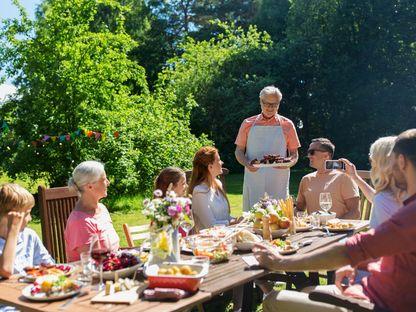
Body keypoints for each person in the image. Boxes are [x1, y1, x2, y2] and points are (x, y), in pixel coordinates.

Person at [253, 128, 416, 312]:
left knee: (274, 299)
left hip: (372, 303)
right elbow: (394, 251)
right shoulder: (408, 205)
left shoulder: (411, 213)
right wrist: (363, 264)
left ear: (401, 161)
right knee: (307, 290)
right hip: (376, 287)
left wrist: (278, 262)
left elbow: (350, 249)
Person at [235, 86, 301, 212]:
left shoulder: (288, 124)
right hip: (253, 176)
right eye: (267, 104)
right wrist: (246, 163)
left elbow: (294, 154)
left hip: (279, 177)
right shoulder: (248, 123)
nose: (270, 108)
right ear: (260, 102)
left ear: (279, 104)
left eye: (274, 104)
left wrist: (288, 163)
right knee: (253, 215)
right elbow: (239, 151)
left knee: (280, 214)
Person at [340, 136, 405, 228]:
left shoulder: (383, 198)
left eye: (372, 155)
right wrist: (354, 177)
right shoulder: (399, 187)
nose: (370, 159)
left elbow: (385, 235)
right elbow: (376, 198)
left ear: (382, 159)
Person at [64, 161, 119, 262]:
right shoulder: (80, 222)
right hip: (93, 275)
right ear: (90, 186)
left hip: (113, 270)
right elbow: (97, 263)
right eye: (104, 179)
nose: (108, 182)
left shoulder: (101, 209)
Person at [297, 138, 360, 219]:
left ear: (326, 155)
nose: (309, 156)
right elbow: (299, 209)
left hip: (338, 230)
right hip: (312, 229)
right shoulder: (306, 179)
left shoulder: (344, 177)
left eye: (312, 152)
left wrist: (335, 226)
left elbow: (355, 213)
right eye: (308, 152)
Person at [0, 183, 53, 278]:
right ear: (10, 216)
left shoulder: (29, 235)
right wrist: (13, 231)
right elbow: (6, 270)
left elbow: (49, 265)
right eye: (27, 213)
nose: (30, 219)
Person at [188, 146, 238, 232]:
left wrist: (240, 219)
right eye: (218, 160)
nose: (221, 162)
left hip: (225, 235)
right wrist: (232, 222)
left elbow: (224, 216)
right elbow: (210, 225)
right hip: (207, 241)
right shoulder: (199, 191)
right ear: (210, 167)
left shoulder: (218, 184)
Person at [154, 167, 189, 237]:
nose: (186, 186)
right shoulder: (162, 210)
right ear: (171, 187)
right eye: (183, 183)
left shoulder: (182, 204)